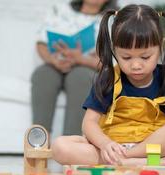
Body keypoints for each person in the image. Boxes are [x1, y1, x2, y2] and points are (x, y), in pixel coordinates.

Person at [51, 4, 165, 167]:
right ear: (115, 50)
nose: (136, 65)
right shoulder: (108, 78)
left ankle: (128, 159)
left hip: (152, 149)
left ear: (160, 47)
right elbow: (88, 124)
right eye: (126, 57)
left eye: (145, 57)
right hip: (114, 148)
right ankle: (133, 162)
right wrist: (105, 143)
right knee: (59, 146)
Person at [31, 0, 118, 135]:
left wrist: (80, 59)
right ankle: (39, 141)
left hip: (86, 67)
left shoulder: (113, 20)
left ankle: (70, 144)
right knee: (43, 74)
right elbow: (41, 43)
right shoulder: (59, 10)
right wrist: (53, 60)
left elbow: (112, 61)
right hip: (56, 63)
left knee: (80, 77)